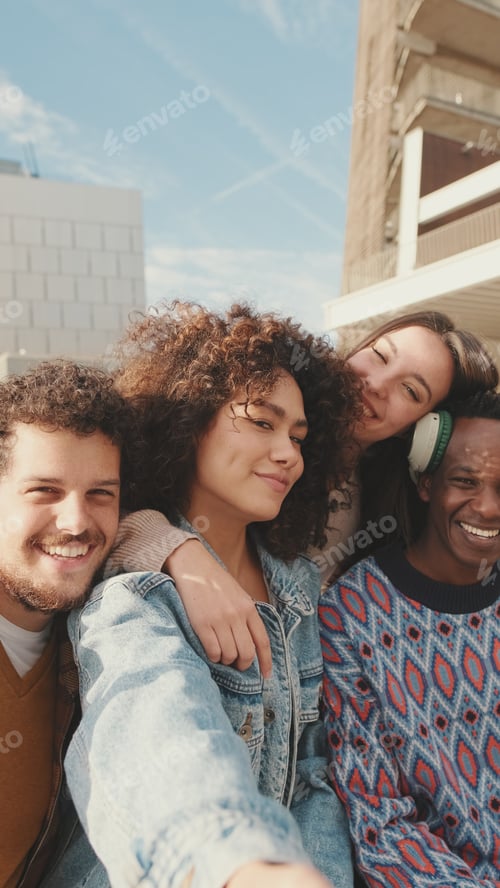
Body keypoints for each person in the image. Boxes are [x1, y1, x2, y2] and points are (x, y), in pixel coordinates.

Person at [62, 302, 359, 888]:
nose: (288, 454)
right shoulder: (136, 590)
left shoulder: (299, 586)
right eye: (261, 421)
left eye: (298, 437)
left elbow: (311, 776)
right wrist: (239, 865)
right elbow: (155, 724)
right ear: (190, 417)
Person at [107, 310, 498, 674]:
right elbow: (109, 511)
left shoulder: (388, 510)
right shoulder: (262, 416)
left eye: (410, 391)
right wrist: (184, 555)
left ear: (426, 430)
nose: (376, 385)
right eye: (379, 356)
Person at [320, 390, 500, 887]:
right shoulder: (351, 615)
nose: (487, 507)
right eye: (465, 481)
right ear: (426, 483)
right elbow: (379, 821)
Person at [0, 360, 133, 888]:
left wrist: (174, 547)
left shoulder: (96, 640)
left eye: (101, 493)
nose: (76, 521)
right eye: (44, 491)